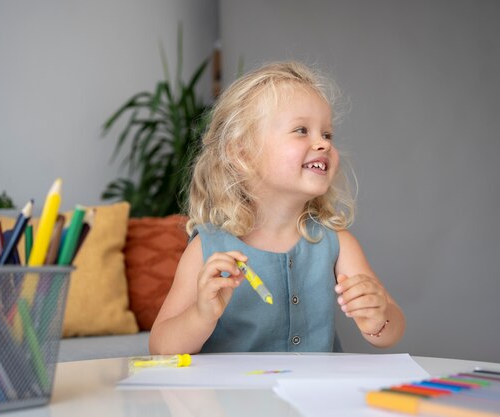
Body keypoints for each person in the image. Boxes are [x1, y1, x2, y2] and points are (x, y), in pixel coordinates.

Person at [149, 61, 405, 354]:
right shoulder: (207, 250)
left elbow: (390, 332)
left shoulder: (337, 243)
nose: (322, 144)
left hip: (313, 399)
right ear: (241, 152)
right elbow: (160, 346)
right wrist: (201, 316)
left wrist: (377, 316)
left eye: (327, 134)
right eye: (301, 130)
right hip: (233, 400)